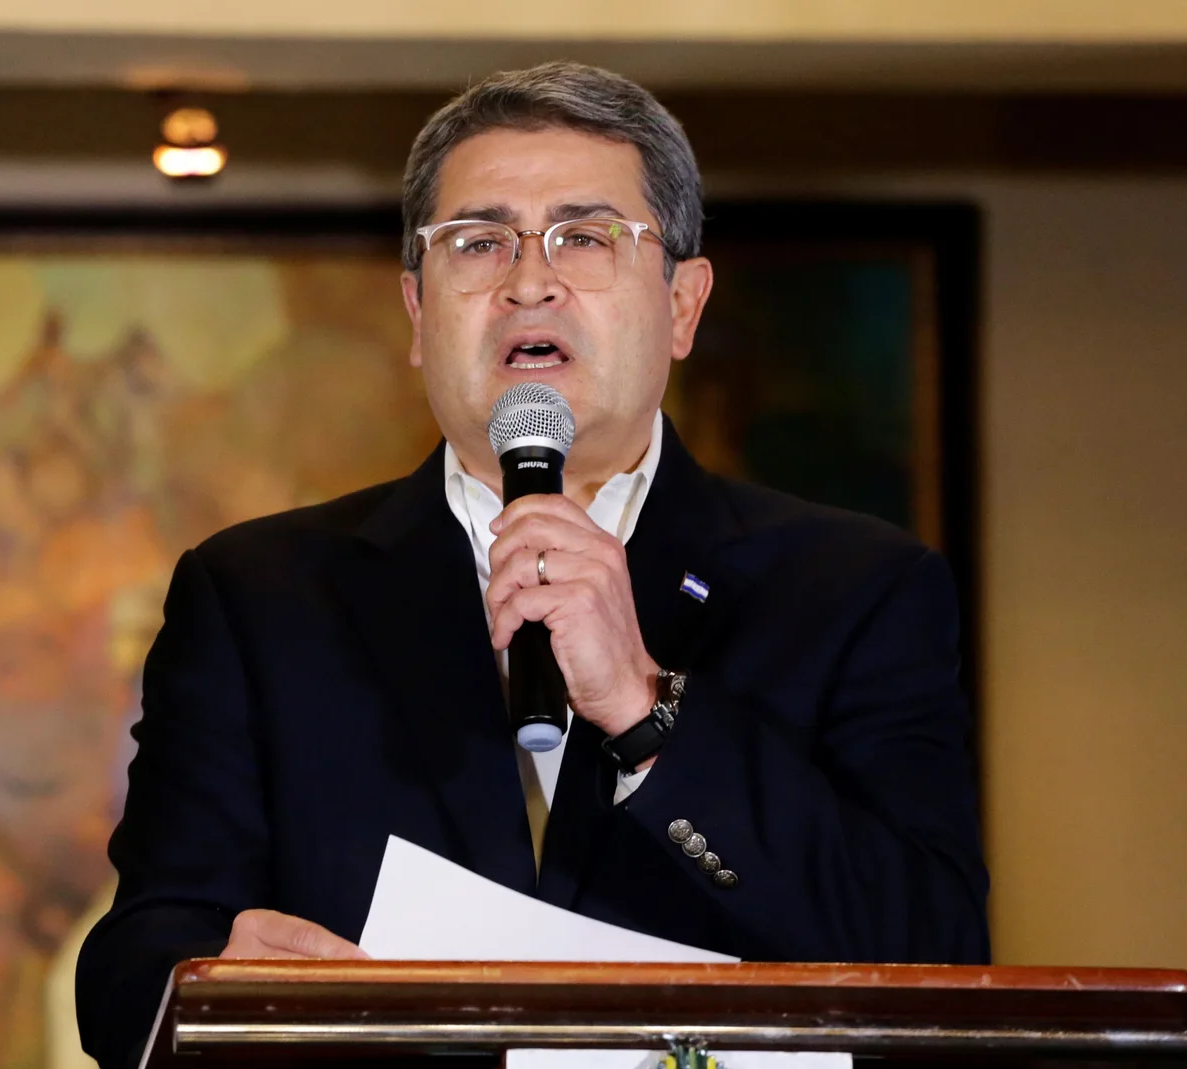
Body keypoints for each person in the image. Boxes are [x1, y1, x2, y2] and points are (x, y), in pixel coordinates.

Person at [75, 61, 990, 1069]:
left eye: (585, 237)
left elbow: (933, 950)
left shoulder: (857, 587)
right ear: (419, 315)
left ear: (682, 304)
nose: (527, 280)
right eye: (477, 242)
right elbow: (129, 970)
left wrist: (650, 709)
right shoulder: (258, 595)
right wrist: (203, 973)